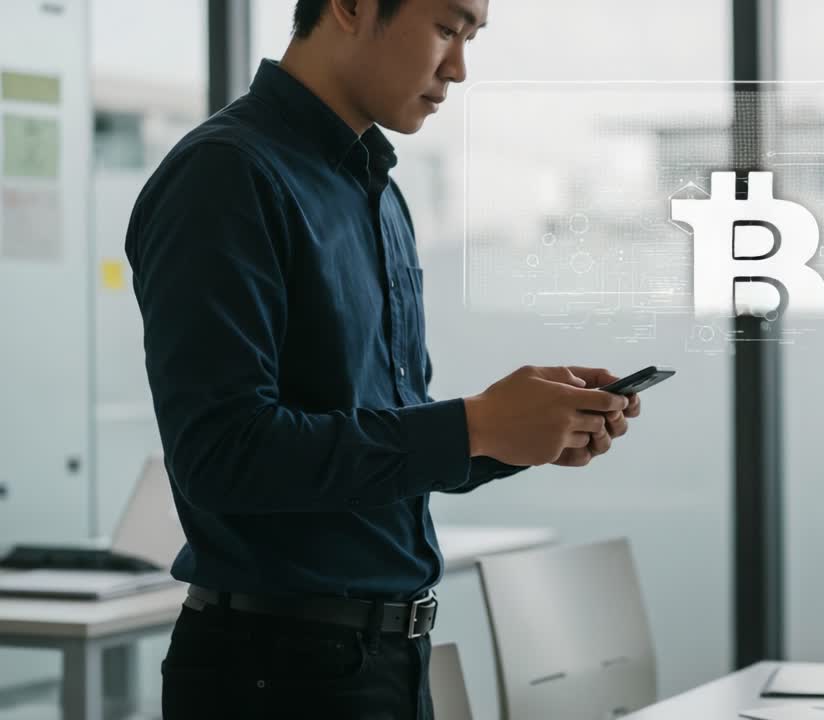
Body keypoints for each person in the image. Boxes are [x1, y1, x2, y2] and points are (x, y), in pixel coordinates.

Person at [124, 0, 639, 717]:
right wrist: (473, 426)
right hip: (274, 678)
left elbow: (374, 445)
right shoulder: (225, 177)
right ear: (349, 6)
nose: (458, 68)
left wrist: (517, 430)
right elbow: (223, 455)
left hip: (387, 664)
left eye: (470, 38)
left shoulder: (377, 192)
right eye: (447, 29)